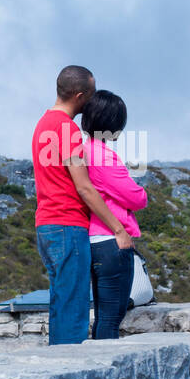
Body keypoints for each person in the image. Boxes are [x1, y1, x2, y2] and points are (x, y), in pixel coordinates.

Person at [31, 65, 132, 345]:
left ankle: (56, 369)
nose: (93, 99)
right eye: (91, 93)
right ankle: (68, 376)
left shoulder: (43, 123)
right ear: (79, 96)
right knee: (74, 308)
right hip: (67, 225)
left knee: (61, 302)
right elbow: (84, 187)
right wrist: (118, 228)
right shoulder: (67, 130)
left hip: (46, 225)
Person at [82, 90, 147, 339]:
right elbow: (135, 197)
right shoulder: (103, 155)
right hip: (112, 241)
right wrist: (142, 192)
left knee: (103, 315)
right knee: (112, 317)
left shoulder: (84, 150)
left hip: (95, 239)